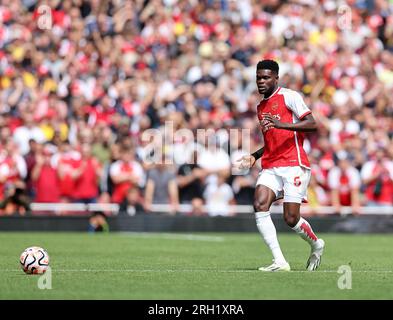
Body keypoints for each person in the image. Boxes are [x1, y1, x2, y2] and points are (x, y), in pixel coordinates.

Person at [236, 60, 325, 272]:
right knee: (259, 203)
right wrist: (255, 156)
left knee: (291, 219)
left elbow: (312, 124)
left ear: (276, 78)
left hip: (294, 163)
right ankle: (280, 261)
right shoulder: (261, 107)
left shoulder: (290, 96)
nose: (261, 81)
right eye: (258, 78)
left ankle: (316, 244)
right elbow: (271, 142)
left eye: (266, 77)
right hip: (271, 165)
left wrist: (281, 124)